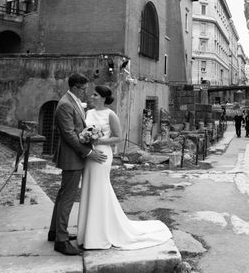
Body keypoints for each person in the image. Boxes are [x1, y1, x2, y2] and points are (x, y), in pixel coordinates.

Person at [77, 85, 172, 250]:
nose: (92, 97)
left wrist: (97, 140)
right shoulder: (88, 113)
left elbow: (118, 138)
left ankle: (99, 234)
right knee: (89, 188)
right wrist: (86, 138)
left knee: (100, 188)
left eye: (95, 95)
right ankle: (88, 232)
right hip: (89, 154)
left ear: (104, 98)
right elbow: (84, 131)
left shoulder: (110, 114)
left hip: (102, 155)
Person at [49, 73, 107, 256]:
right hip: (72, 157)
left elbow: (78, 128)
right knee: (67, 198)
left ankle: (54, 232)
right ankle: (61, 240)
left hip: (73, 156)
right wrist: (89, 152)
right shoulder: (66, 104)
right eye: (83, 89)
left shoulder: (72, 101)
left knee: (62, 195)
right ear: (75, 87)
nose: (85, 92)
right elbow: (69, 135)